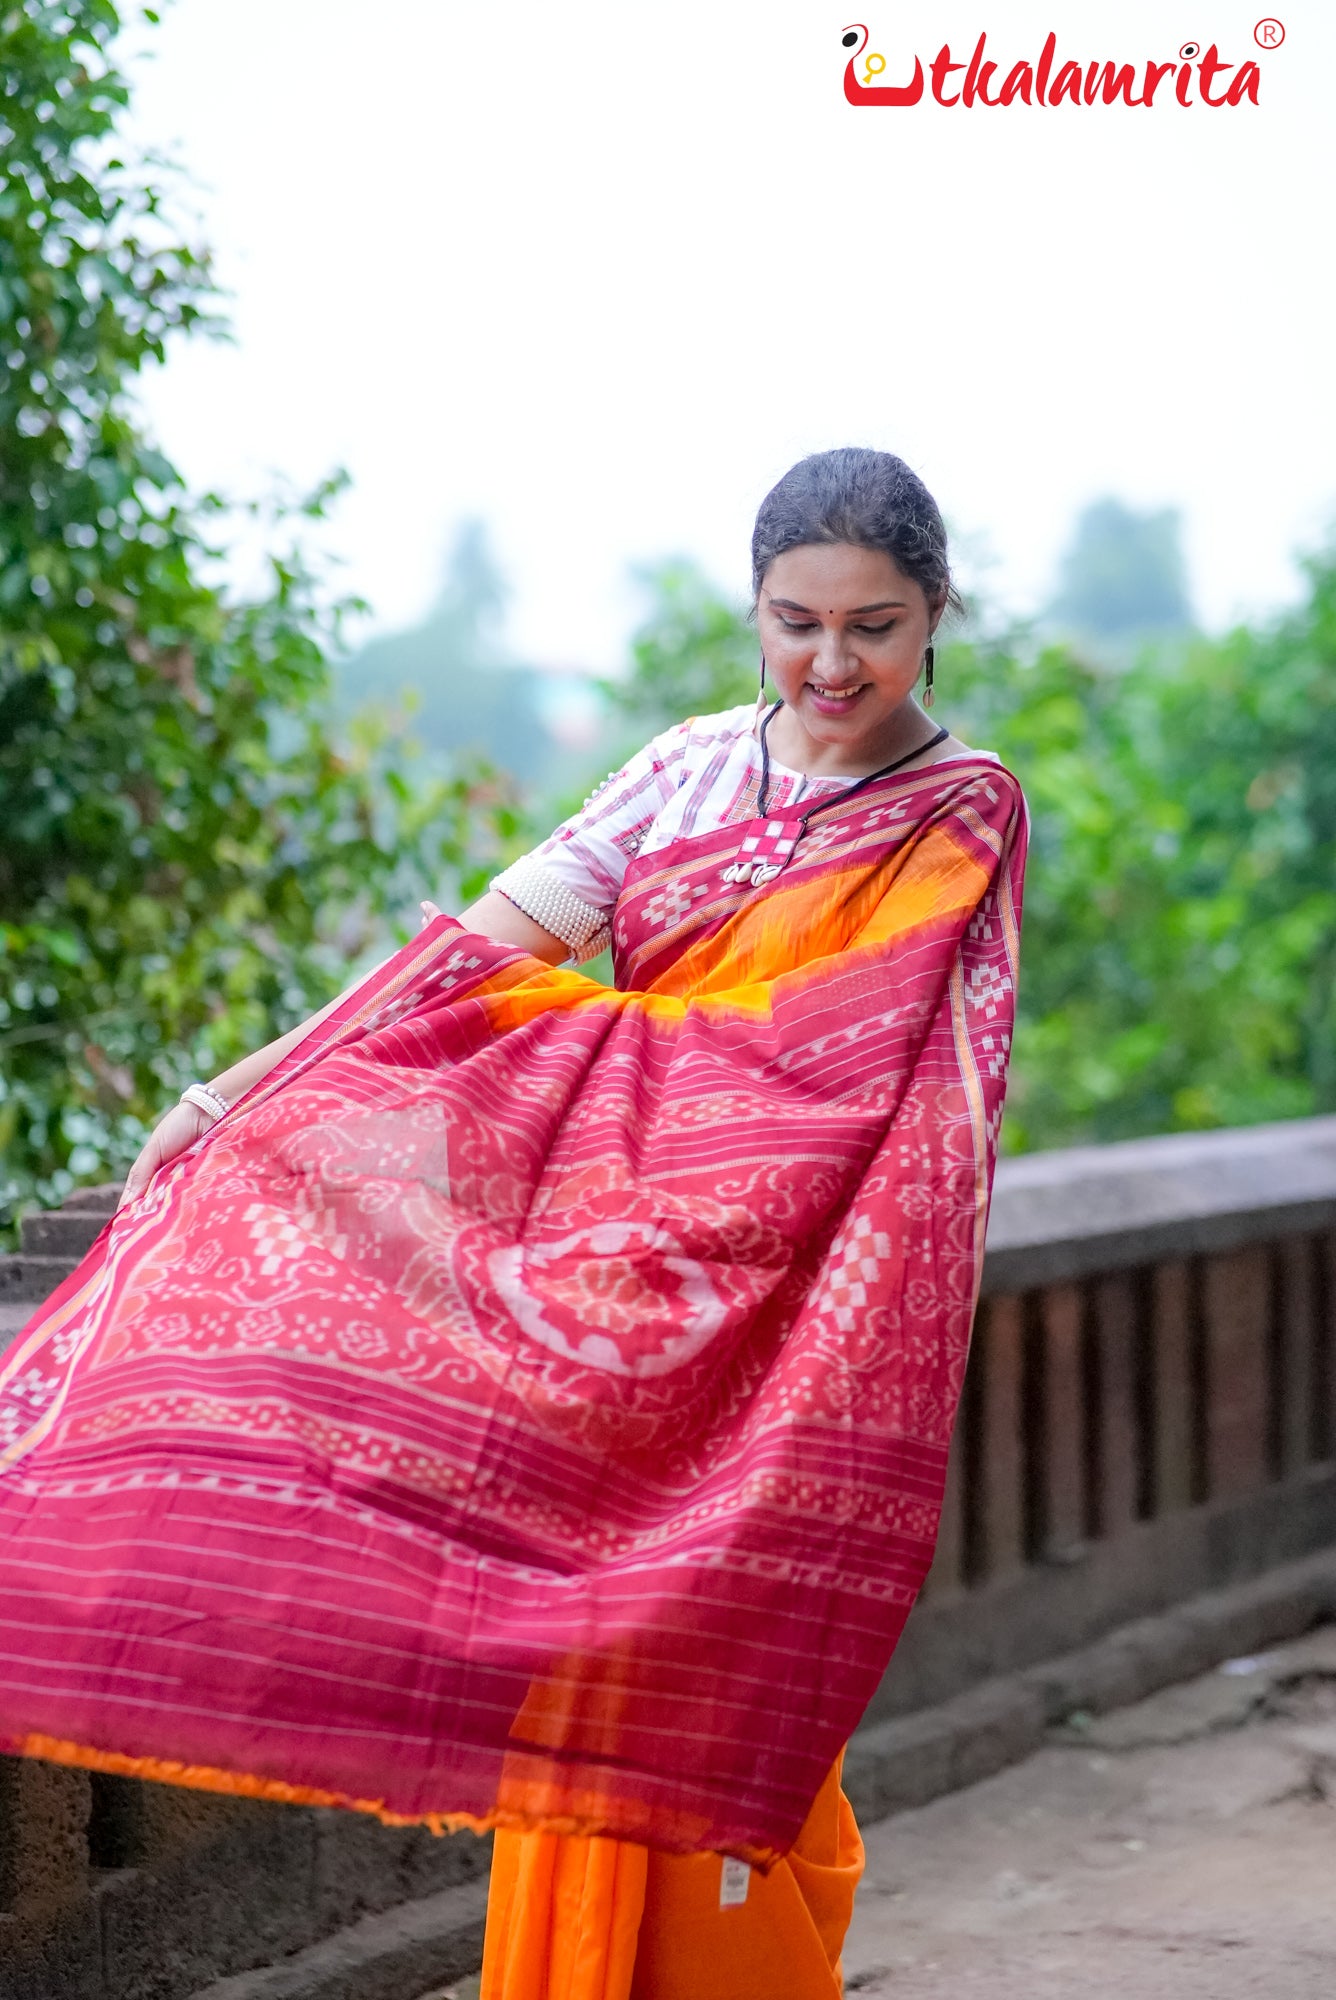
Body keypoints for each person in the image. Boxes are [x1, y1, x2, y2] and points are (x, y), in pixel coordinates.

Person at [0, 448, 1026, 2000]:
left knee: (711, 1674)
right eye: (795, 622)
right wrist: (236, 1093)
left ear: (938, 613)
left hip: (769, 1317)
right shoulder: (683, 769)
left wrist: (666, 1100)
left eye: (874, 626)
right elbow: (474, 956)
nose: (831, 663)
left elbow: (872, 1082)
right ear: (751, 612)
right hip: (607, 1298)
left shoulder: (962, 811)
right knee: (586, 1680)